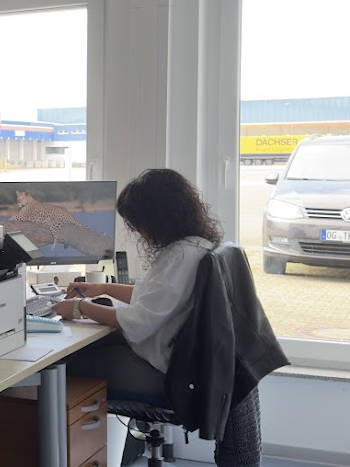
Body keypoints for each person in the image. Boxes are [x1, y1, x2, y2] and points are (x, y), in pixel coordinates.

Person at [51, 168, 222, 398]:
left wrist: (79, 307)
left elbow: (139, 322)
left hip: (160, 371)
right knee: (86, 347)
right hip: (170, 360)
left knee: (60, 367)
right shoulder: (196, 246)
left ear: (156, 219)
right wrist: (104, 288)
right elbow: (154, 297)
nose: (139, 232)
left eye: (138, 223)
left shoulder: (179, 257)